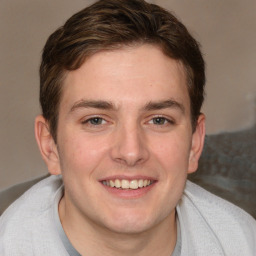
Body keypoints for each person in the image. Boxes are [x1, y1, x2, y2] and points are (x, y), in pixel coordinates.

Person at [0, 0, 255, 255]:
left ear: (195, 143)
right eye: (96, 120)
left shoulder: (244, 242)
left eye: (158, 120)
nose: (131, 152)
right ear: (50, 145)